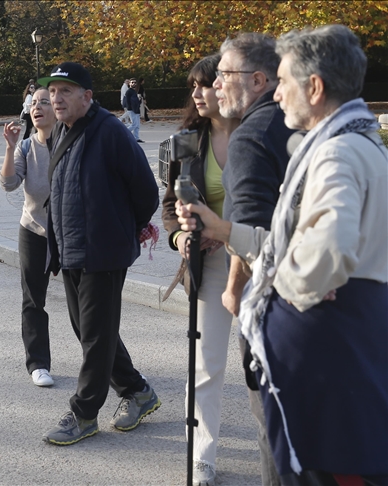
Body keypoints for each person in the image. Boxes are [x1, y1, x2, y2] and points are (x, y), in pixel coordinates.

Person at [176, 24, 387, 486]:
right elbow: (302, 242)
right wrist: (227, 230)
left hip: (322, 353)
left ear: (314, 88)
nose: (278, 93)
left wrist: (284, 291)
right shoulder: (357, 141)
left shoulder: (337, 154)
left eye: (285, 81)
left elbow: (327, 250)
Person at [36, 62, 160, 445]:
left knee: (94, 335)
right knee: (90, 330)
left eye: (65, 91)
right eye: (52, 92)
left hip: (102, 252)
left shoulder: (111, 133)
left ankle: (83, 412)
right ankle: (138, 391)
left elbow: (146, 193)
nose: (56, 99)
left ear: (87, 97)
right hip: (72, 249)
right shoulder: (62, 131)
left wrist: (123, 230)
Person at [214, 32, 296, 486]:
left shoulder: (251, 136)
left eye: (225, 74)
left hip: (272, 309)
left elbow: (248, 233)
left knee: (273, 429)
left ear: (258, 80)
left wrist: (232, 290)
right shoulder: (301, 123)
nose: (216, 83)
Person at [161, 54, 240, 486]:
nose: (197, 93)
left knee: (264, 362)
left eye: (205, 84)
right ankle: (203, 456)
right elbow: (170, 207)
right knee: (207, 362)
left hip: (259, 259)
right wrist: (180, 237)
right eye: (193, 85)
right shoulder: (187, 141)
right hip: (209, 264)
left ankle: (278, 450)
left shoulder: (261, 136)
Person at [0, 86, 57, 388]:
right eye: (34, 103)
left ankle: (104, 361)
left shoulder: (69, 142)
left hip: (69, 233)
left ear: (57, 109)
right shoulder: (25, 147)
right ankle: (38, 363)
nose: (38, 108)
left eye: (44, 102)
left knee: (84, 302)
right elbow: (8, 183)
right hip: (33, 229)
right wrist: (10, 147)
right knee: (33, 299)